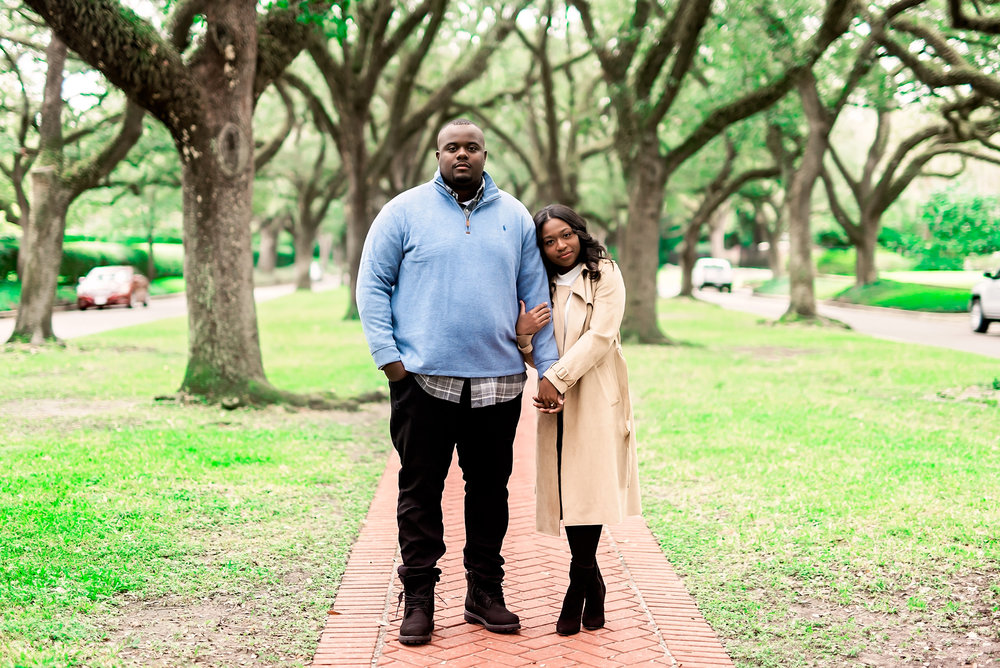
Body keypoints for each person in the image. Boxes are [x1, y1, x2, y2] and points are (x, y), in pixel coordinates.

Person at [356, 119, 559, 646]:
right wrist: (390, 360)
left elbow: (537, 295)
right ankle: (419, 598)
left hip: (499, 384)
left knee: (489, 494)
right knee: (419, 492)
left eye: (471, 147)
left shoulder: (514, 216)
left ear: (486, 154)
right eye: (452, 147)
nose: (461, 154)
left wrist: (550, 371)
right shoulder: (403, 211)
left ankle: (484, 593)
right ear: (438, 153)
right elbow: (372, 284)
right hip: (423, 382)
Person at [516, 203, 642, 636]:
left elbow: (602, 335)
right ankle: (593, 580)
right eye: (549, 241)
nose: (559, 246)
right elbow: (535, 346)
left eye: (565, 235)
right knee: (569, 490)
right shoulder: (540, 281)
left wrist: (557, 377)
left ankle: (577, 584)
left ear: (579, 232)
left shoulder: (603, 271)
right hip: (556, 395)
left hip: (594, 391)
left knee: (587, 486)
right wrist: (523, 337)